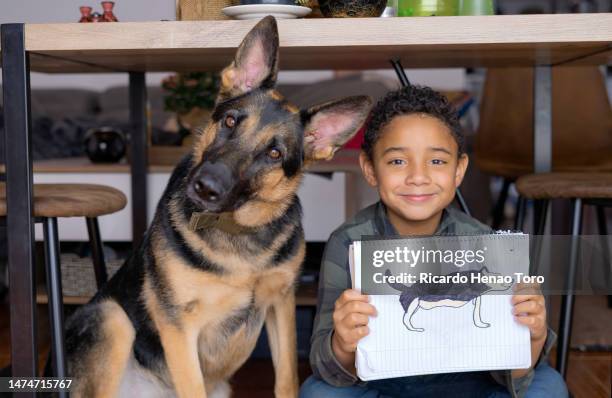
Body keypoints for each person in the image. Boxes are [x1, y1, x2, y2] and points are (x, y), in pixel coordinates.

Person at [299, 86, 568, 398]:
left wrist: (530, 336)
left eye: (437, 162)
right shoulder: (348, 242)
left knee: (548, 387)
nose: (418, 176)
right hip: (384, 384)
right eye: (398, 161)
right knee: (319, 393)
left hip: (469, 383)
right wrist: (343, 342)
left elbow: (513, 372)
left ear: (459, 170)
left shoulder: (485, 244)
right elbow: (326, 363)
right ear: (370, 169)